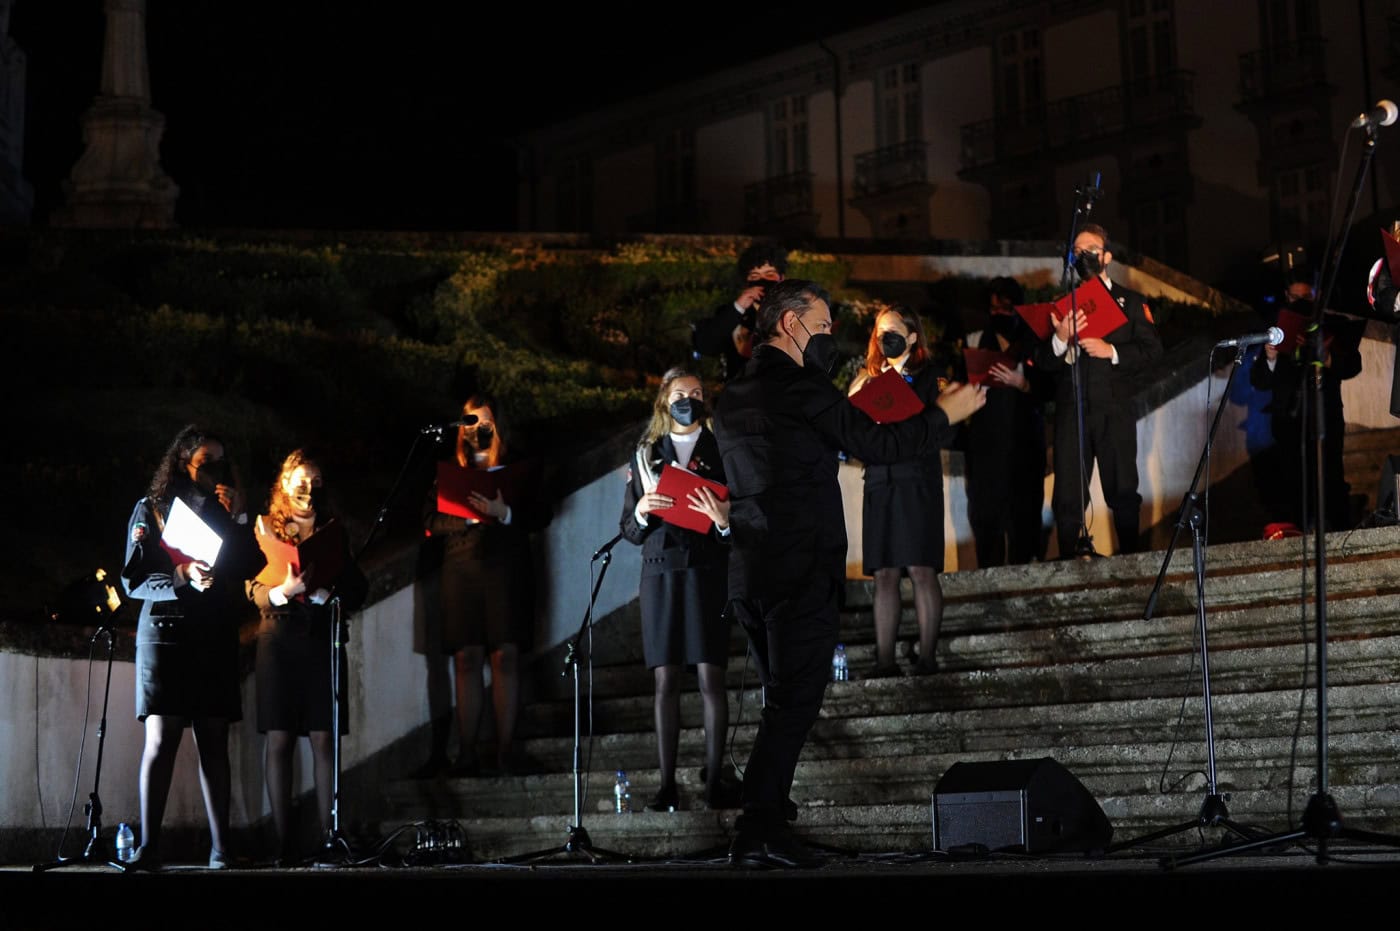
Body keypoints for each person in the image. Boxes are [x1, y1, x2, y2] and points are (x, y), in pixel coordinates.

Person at [712, 278, 986, 867]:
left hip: (750, 570)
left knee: (781, 699)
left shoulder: (731, 396)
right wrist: (945, 414)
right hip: (800, 566)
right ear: (790, 324)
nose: (830, 335)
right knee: (795, 701)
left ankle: (764, 819)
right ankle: (759, 826)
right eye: (822, 324)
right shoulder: (803, 387)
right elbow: (878, 445)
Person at [120, 424, 266, 870]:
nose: (216, 470)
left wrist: (239, 518)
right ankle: (149, 848)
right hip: (166, 633)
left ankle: (221, 849)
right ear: (184, 462)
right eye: (207, 462)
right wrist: (182, 576)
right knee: (162, 739)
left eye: (222, 461)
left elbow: (252, 564)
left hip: (213, 634)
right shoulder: (153, 507)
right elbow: (134, 579)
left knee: (214, 739)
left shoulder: (225, 508)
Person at [619, 366, 740, 811]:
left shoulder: (722, 448)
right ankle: (666, 785)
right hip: (662, 571)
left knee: (711, 676)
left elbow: (739, 520)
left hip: (708, 571)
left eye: (697, 392)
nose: (689, 400)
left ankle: (713, 783)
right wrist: (643, 510)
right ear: (664, 403)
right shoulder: (646, 454)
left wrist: (724, 522)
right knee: (665, 680)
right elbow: (629, 529)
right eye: (679, 394)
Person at [247, 449, 368, 864]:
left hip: (321, 639)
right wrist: (284, 592)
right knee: (279, 738)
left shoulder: (333, 531)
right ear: (284, 484)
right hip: (278, 638)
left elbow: (358, 587)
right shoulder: (266, 528)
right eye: (300, 481)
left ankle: (330, 836)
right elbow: (250, 587)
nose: (308, 489)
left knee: (322, 737)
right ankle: (283, 842)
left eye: (315, 482)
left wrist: (326, 594)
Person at [420, 393, 550, 777]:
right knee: (466, 658)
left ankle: (506, 751)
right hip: (461, 569)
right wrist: (466, 517)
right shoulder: (449, 469)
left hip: (506, 568)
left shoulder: (518, 464)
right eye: (471, 423)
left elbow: (542, 513)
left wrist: (503, 512)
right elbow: (429, 520)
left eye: (486, 422)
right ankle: (466, 753)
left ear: (498, 424)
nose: (479, 429)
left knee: (504, 656)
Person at [1040, 223, 1163, 558]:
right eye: (1077, 251)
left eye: (1091, 250)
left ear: (1107, 256)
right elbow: (1043, 363)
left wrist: (1112, 351)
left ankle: (1130, 561)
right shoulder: (1062, 306)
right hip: (1073, 410)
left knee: (1123, 489)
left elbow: (1153, 351)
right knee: (1068, 494)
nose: (1084, 256)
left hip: (1114, 409)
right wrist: (1059, 339)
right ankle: (1068, 563)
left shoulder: (1131, 302)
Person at [846, 304, 953, 677]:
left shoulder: (931, 376)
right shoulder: (868, 378)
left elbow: (946, 426)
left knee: (921, 568)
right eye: (880, 332)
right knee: (884, 573)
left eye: (892, 332)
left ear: (911, 336)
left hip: (916, 480)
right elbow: (851, 430)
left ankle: (927, 658)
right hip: (880, 480)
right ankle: (884, 661)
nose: (885, 338)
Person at [1249, 274, 1363, 532]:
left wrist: (1326, 356)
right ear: (1286, 297)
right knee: (1292, 484)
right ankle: (1297, 534)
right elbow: (1259, 380)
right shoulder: (1277, 329)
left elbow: (1352, 365)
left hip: (1326, 416)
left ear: (1317, 296)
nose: (1300, 303)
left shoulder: (1333, 324)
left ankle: (1337, 534)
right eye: (1294, 297)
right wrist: (1270, 357)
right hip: (1289, 420)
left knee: (1331, 479)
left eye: (1306, 297)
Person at [963, 276, 1049, 567]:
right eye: (994, 308)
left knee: (1024, 516)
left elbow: (1050, 388)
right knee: (987, 518)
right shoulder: (975, 339)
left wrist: (1022, 383)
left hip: (1025, 444)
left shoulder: (1034, 341)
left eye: (1006, 308)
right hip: (987, 446)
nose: (999, 313)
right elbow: (957, 384)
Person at [691, 242, 788, 382]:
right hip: (740, 391)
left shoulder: (792, 313)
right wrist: (738, 307)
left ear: (781, 278)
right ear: (746, 281)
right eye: (754, 276)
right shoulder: (732, 313)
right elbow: (706, 346)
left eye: (769, 274)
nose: (762, 280)